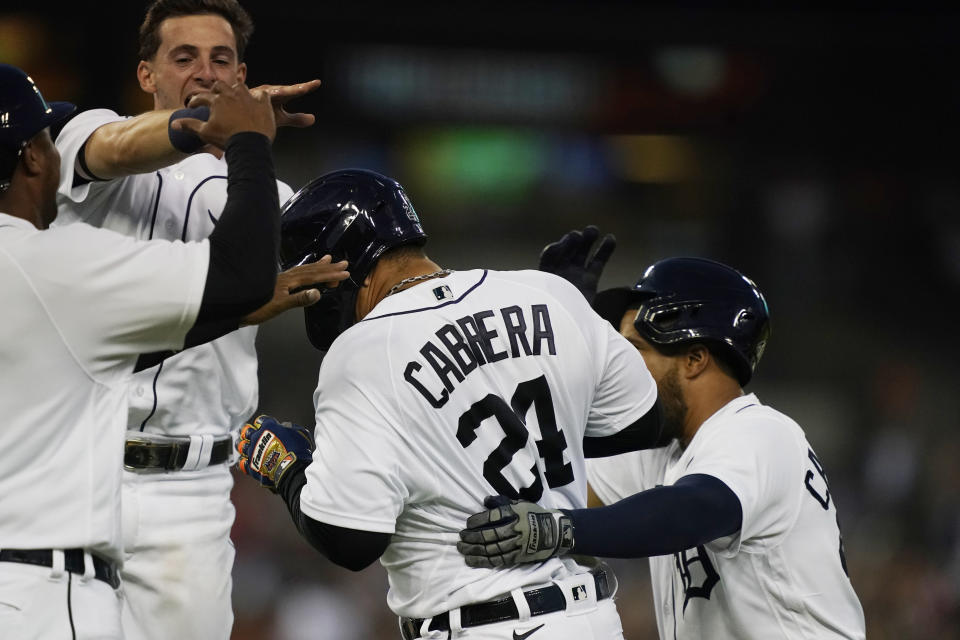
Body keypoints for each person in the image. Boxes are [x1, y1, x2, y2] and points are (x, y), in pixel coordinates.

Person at [234, 169, 667, 640]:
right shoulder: (548, 293)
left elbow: (350, 539)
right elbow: (642, 423)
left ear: (338, 265)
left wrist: (288, 468)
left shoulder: (364, 351)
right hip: (591, 620)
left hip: (486, 625)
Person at [52, 2, 347, 638]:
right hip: (69, 476)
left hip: (188, 496)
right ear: (147, 75)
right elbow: (110, 148)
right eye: (183, 58)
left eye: (221, 60)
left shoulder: (274, 201)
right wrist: (211, 127)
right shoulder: (91, 135)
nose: (205, 73)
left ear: (242, 75)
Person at [457, 230, 867, 639]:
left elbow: (692, 509)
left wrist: (558, 530)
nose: (618, 368)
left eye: (634, 350)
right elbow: (545, 488)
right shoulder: (664, 450)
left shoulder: (760, 431)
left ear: (693, 359)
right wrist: (557, 336)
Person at [0, 63, 278, 639]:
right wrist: (250, 140)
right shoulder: (55, 267)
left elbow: (73, 358)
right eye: (49, 141)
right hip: (40, 596)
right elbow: (241, 273)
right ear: (31, 157)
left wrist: (223, 313)